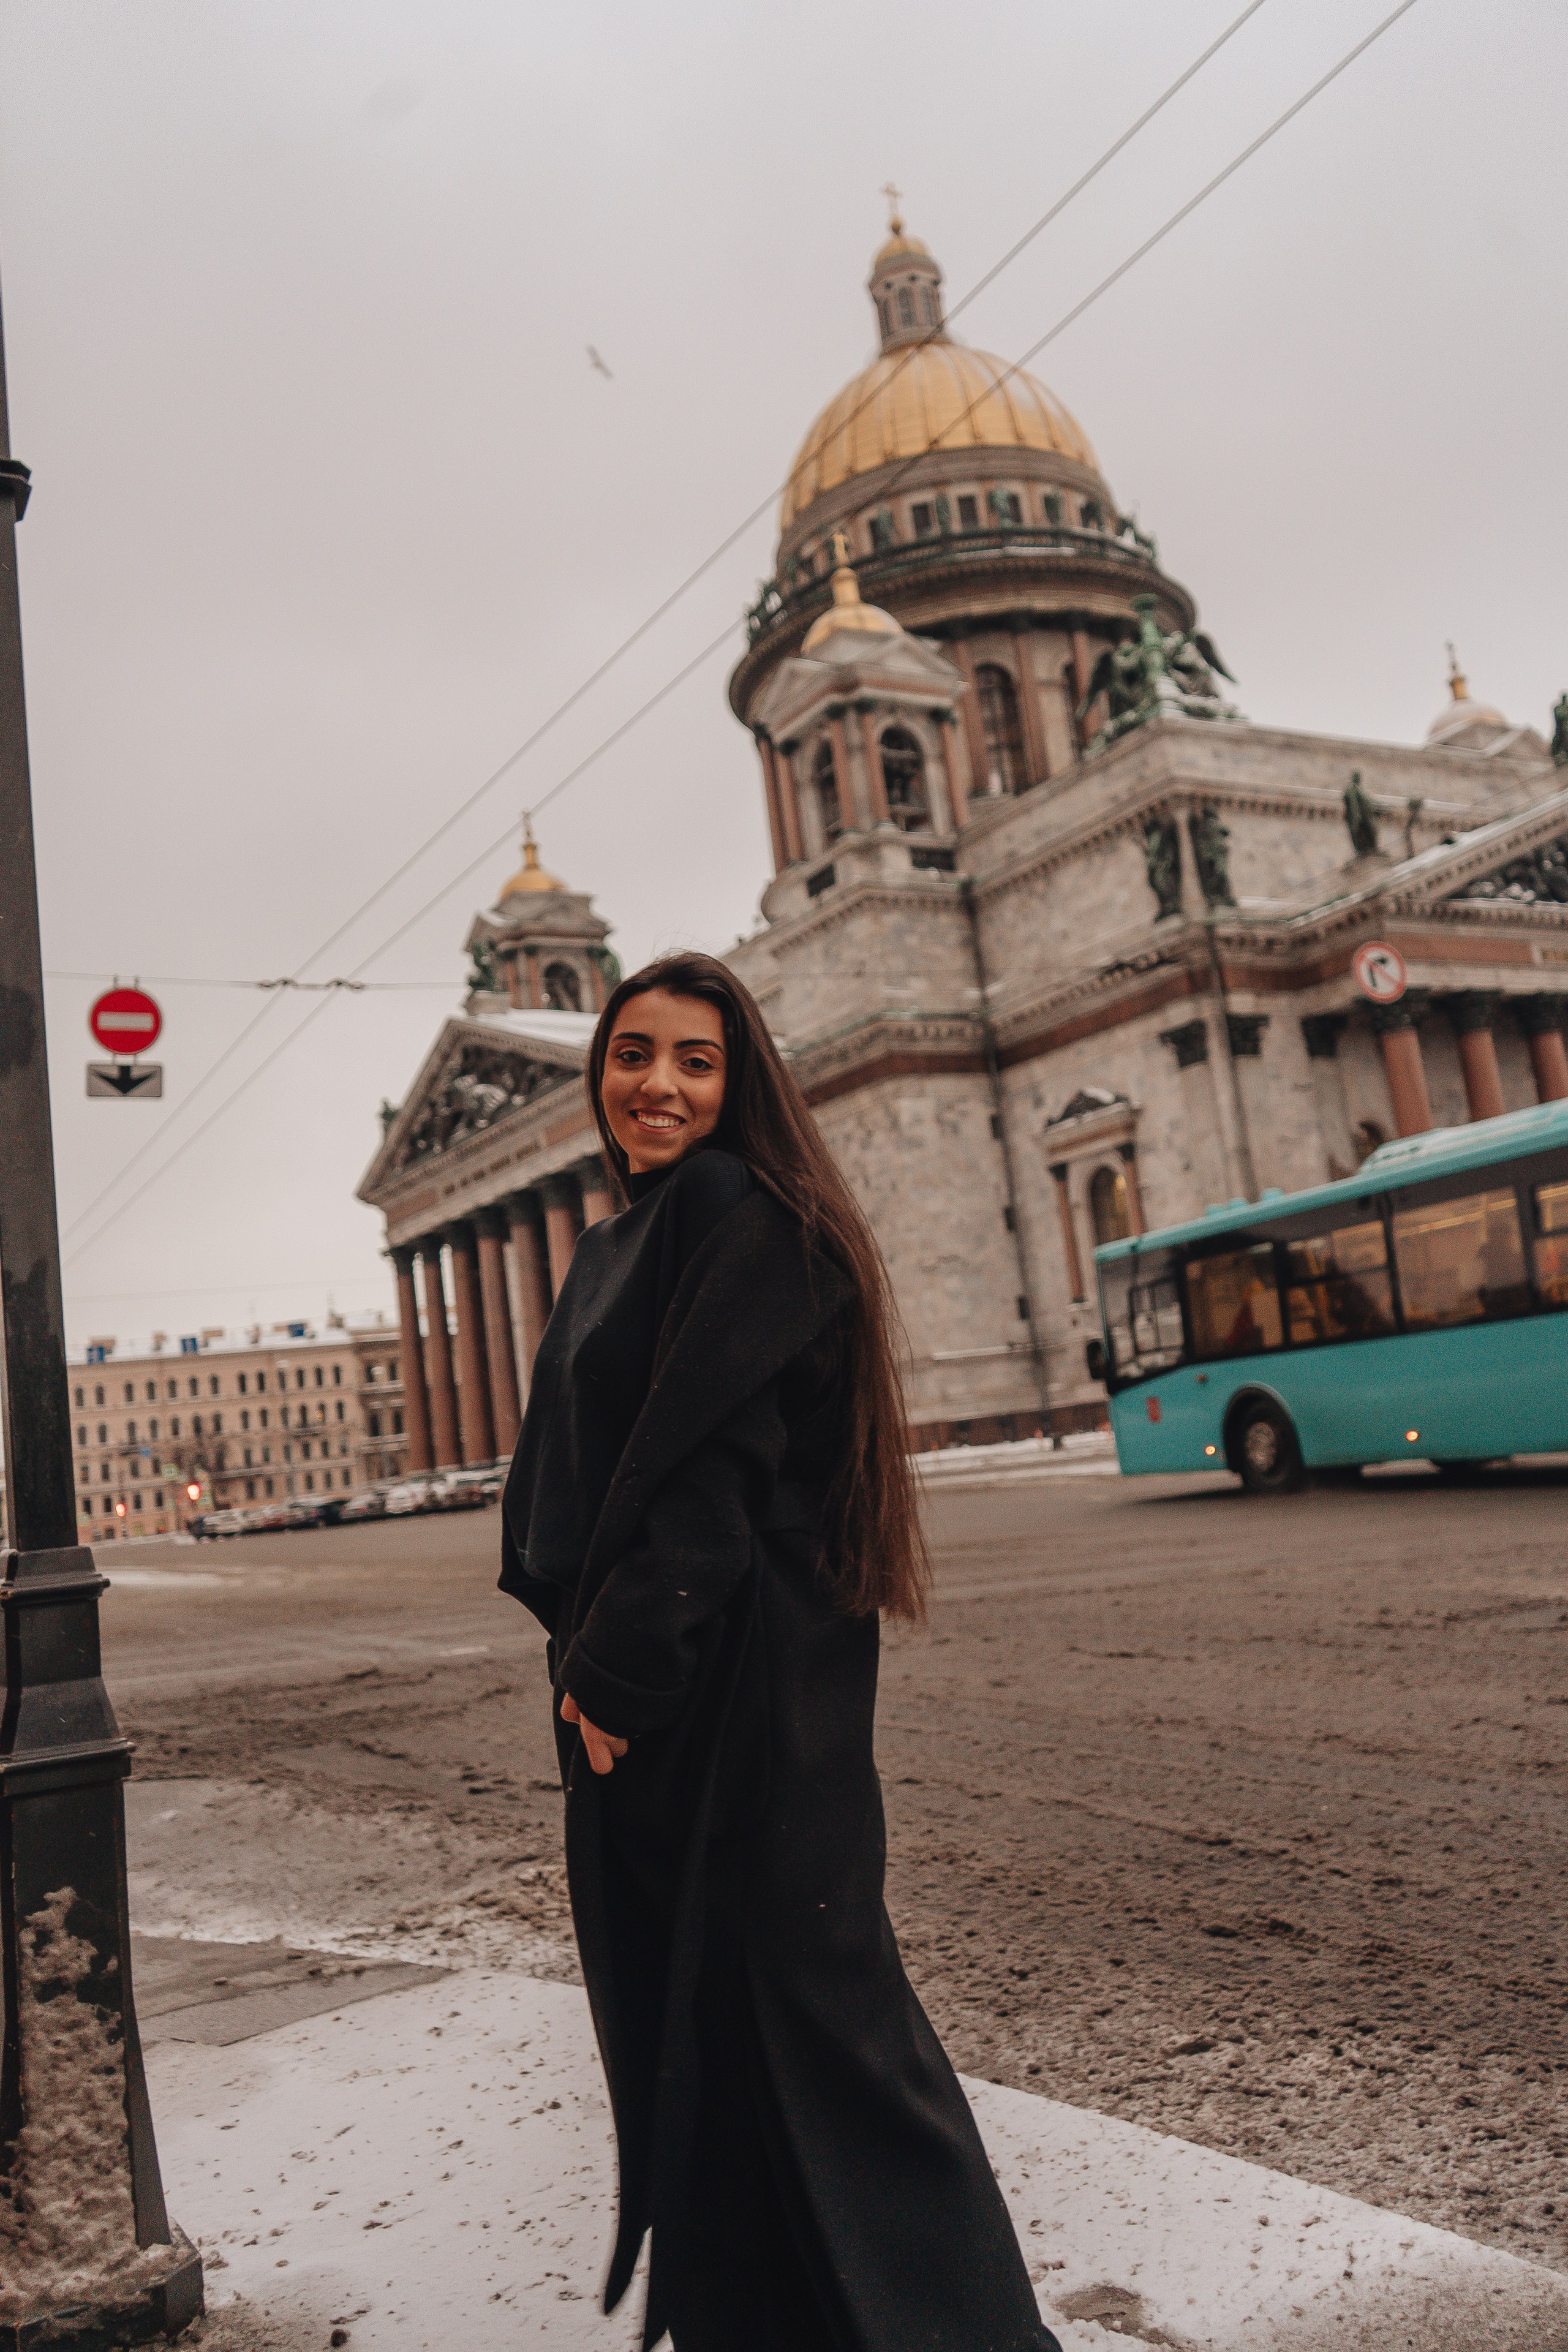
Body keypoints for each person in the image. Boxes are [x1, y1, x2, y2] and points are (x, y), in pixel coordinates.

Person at [500, 951, 1060, 2352]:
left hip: (727, 1707)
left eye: (695, 1061)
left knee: (816, 2031)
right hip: (704, 1696)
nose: (657, 1085)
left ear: (741, 1083)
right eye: (632, 1054)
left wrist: (618, 1673)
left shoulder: (732, 1211)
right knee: (729, 2033)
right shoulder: (630, 1235)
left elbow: (712, 1471)